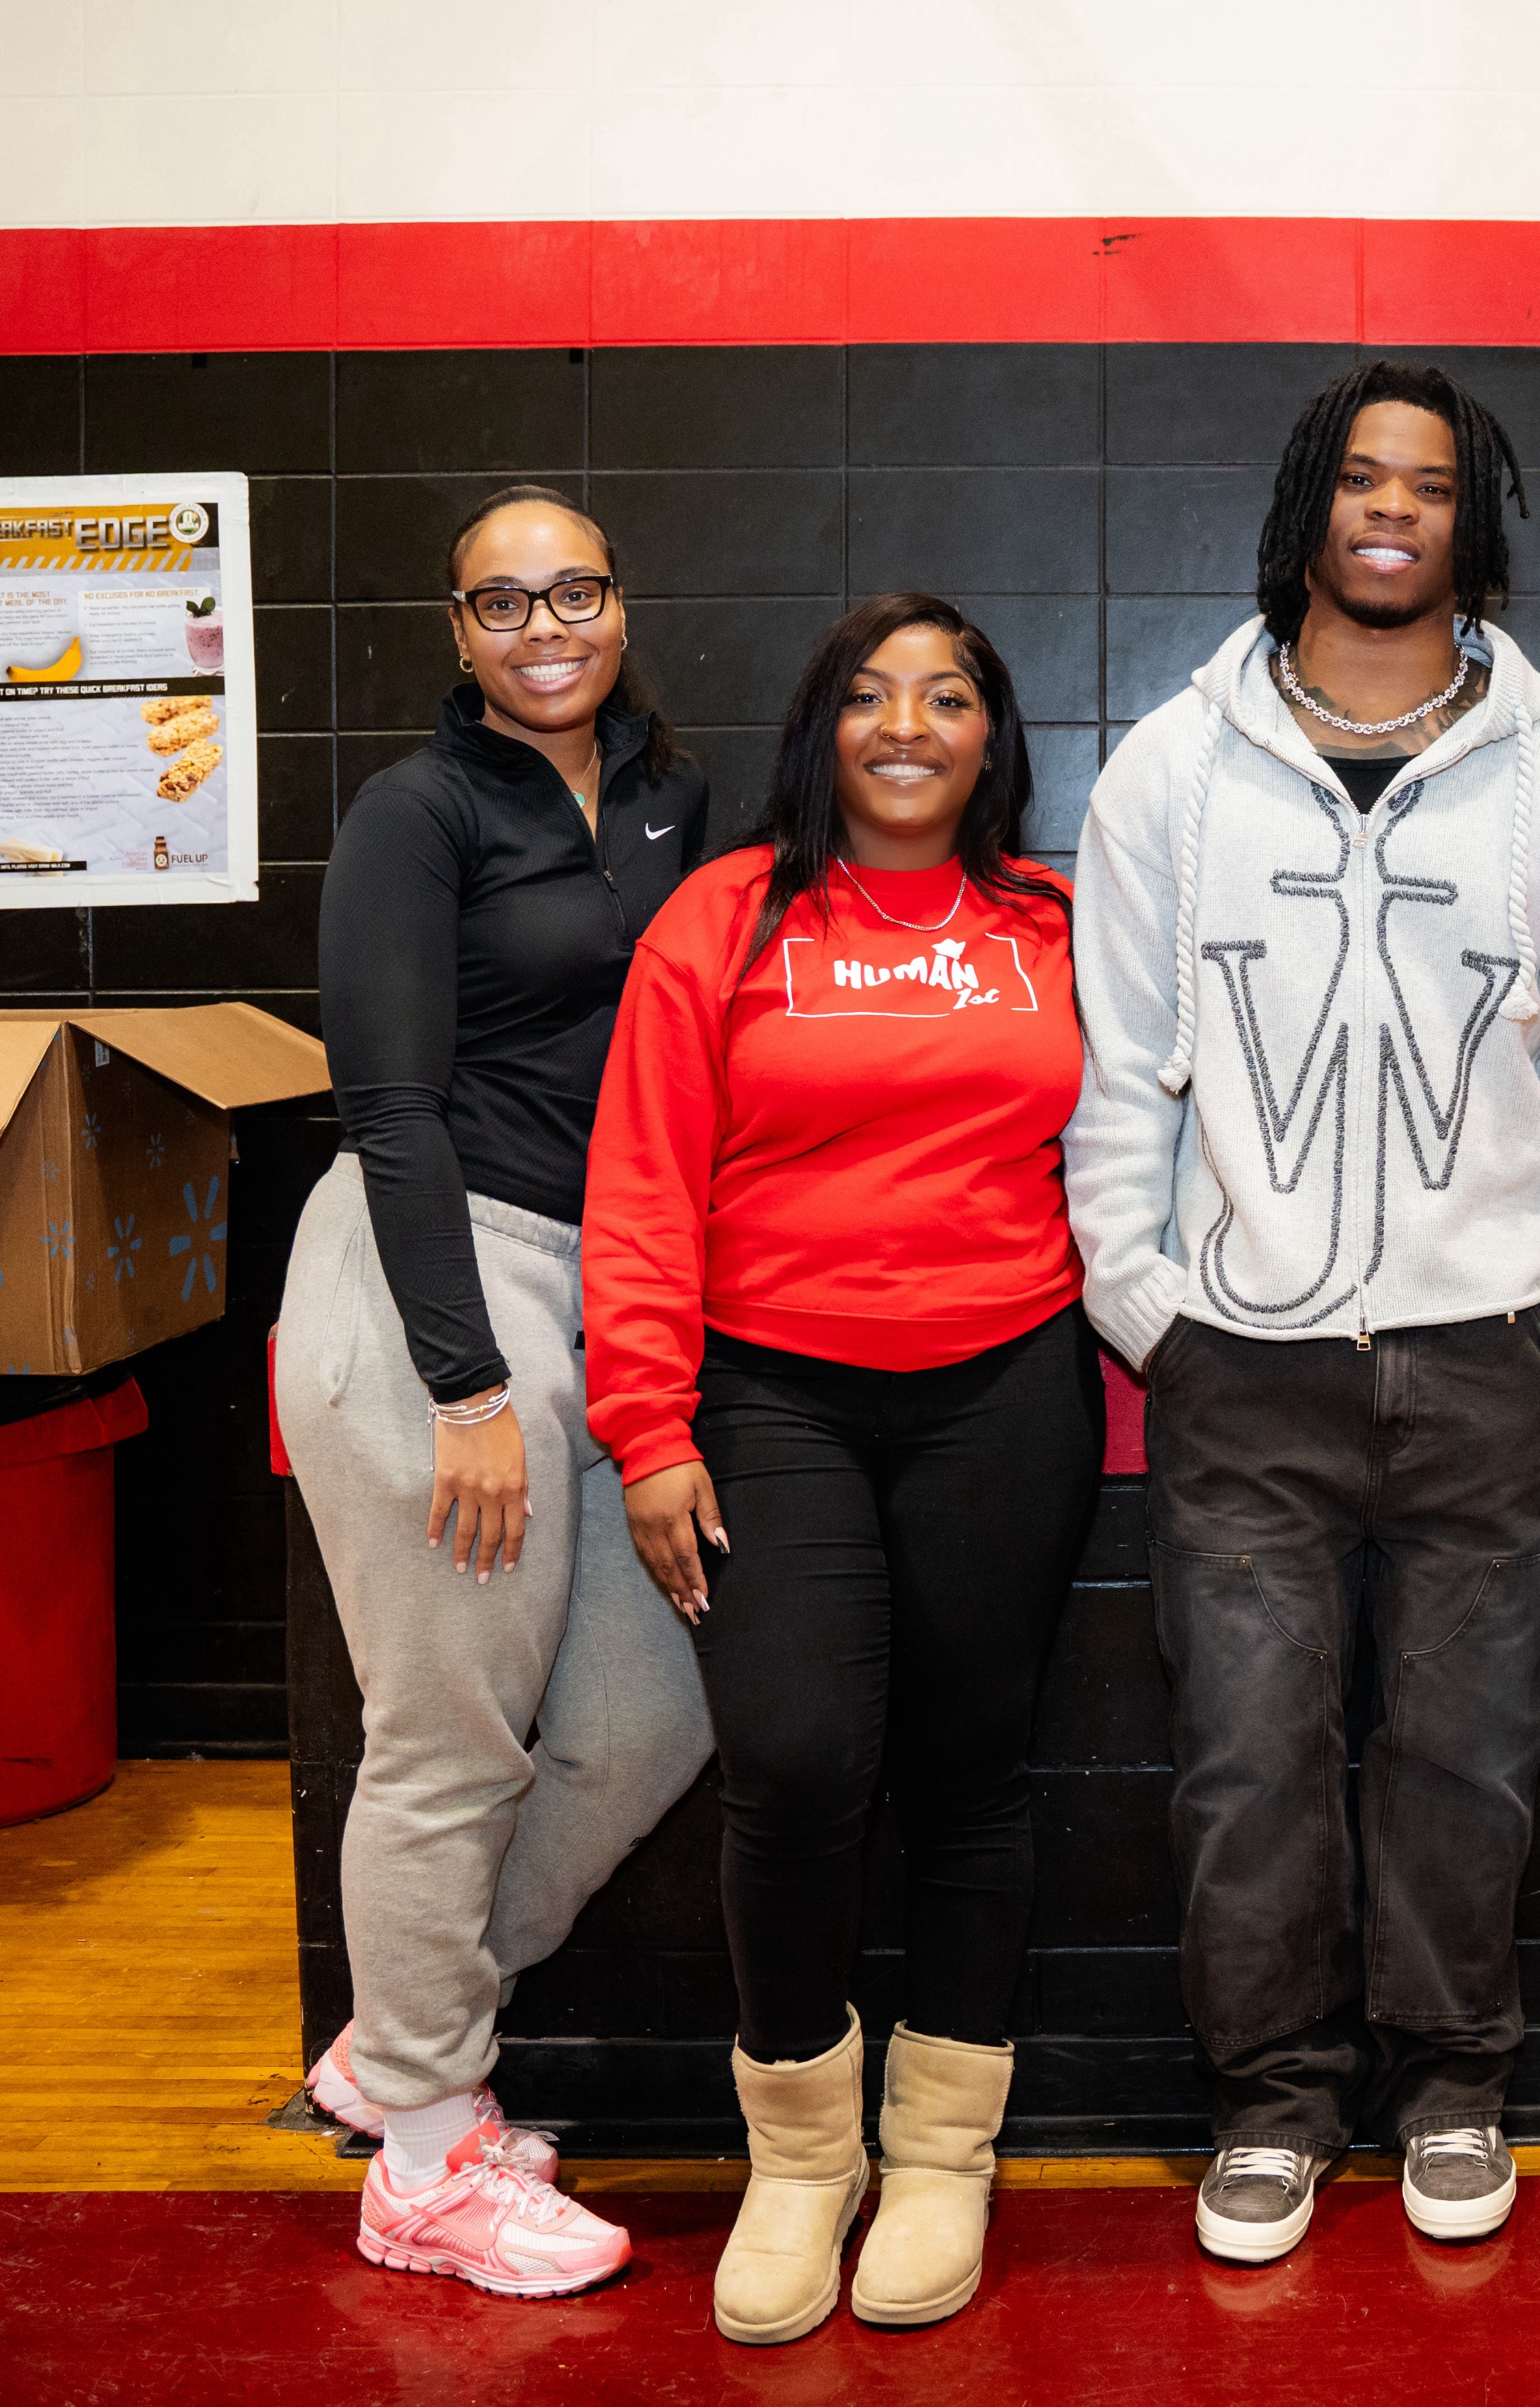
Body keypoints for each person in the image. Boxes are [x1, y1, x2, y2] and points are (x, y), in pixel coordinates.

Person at [1067, 361, 1540, 2265]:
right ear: (1306, 508)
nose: (1391, 509)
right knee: (1246, 1762)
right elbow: (1117, 1069)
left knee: (1464, 1759)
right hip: (1238, 1371)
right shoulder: (1171, 769)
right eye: (1359, 477)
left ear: (1468, 520)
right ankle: (1268, 2102)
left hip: (1488, 1362)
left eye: (1427, 482)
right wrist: (1148, 1305)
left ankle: (1450, 2084)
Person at [581, 595, 1097, 2345]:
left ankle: (943, 2155)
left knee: (969, 1775)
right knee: (794, 1762)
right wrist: (647, 1422)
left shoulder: (1049, 925)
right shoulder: (724, 918)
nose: (907, 725)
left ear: (988, 737)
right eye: (871, 695)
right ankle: (800, 2160)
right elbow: (643, 1181)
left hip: (1004, 1385)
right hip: (769, 1393)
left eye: (947, 696)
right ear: (823, 729)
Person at [277, 483, 715, 2297]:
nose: (547, 627)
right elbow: (385, 1102)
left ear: (620, 604)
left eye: (576, 590)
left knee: (652, 1712)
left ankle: (400, 2045)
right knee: (449, 1737)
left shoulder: (671, 799)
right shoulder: (417, 810)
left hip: (612, 1287)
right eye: (505, 601)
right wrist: (462, 1383)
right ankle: (424, 2158)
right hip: (436, 1276)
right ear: (457, 633)